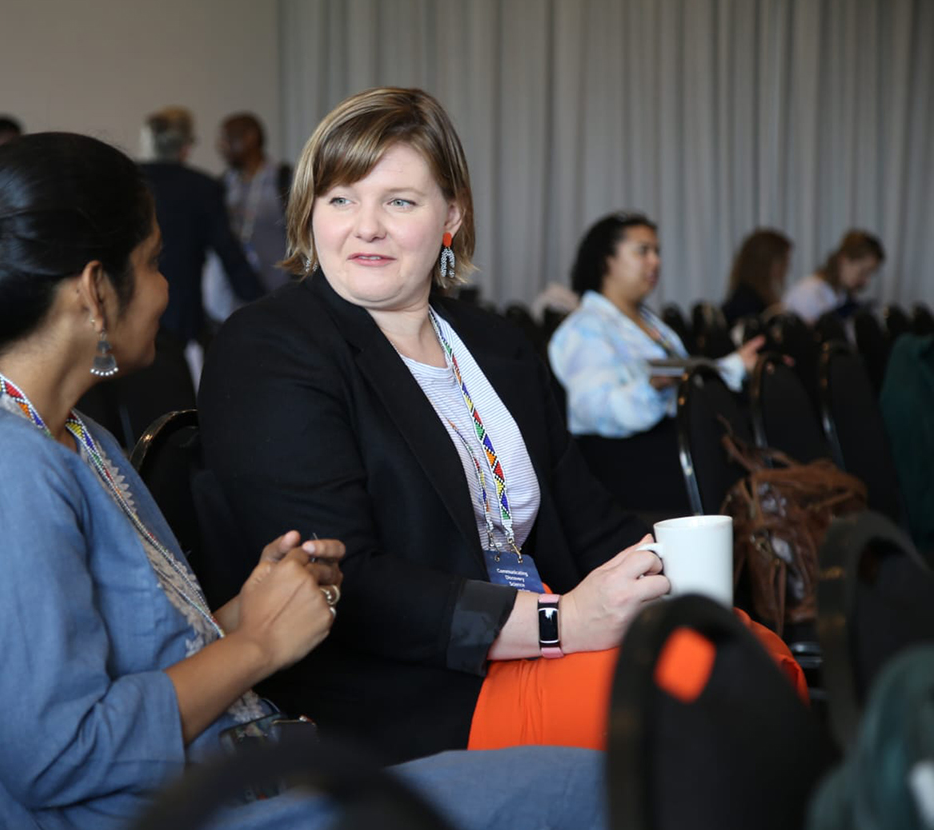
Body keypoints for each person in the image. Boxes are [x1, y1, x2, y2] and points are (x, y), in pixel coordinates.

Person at [0, 132, 607, 830]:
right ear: (94, 291)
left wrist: (239, 612)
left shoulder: (70, 433)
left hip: (200, 787)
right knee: (586, 793)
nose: (166, 287)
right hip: (133, 825)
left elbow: (115, 665)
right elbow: (62, 755)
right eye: (153, 263)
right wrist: (252, 646)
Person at [196, 88, 803, 765]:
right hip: (410, 693)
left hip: (540, 640)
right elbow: (347, 586)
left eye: (399, 200)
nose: (365, 226)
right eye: (340, 198)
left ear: (451, 214)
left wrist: (671, 585)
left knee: (758, 653)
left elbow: (586, 516)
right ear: (311, 212)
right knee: (713, 695)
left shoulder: (493, 344)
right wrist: (561, 622)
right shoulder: (272, 346)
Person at [548, 213, 764, 439]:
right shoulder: (585, 328)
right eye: (643, 251)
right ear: (606, 260)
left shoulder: (649, 322)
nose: (655, 261)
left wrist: (736, 365)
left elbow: (687, 381)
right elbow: (593, 411)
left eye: (656, 252)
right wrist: (651, 388)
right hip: (632, 460)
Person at [140, 106, 264, 347]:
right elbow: (228, 251)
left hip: (131, 311)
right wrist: (265, 301)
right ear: (185, 147)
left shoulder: (126, 183)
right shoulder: (202, 187)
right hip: (181, 316)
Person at [203, 113, 294, 323]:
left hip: (279, 297)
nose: (220, 146)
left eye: (227, 139)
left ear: (250, 138)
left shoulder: (284, 179)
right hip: (229, 303)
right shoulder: (223, 185)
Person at [784, 229, 884, 324]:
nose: (866, 281)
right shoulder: (808, 294)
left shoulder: (841, 295)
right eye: (862, 272)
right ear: (844, 260)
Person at [721, 228, 792, 324]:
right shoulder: (748, 305)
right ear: (768, 262)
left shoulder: (747, 297)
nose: (788, 266)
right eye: (784, 260)